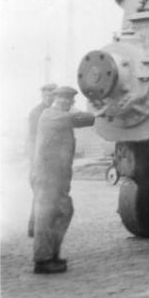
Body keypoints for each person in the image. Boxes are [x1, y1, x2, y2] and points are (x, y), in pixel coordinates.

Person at [32, 86, 95, 274]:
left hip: (59, 176)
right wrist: (101, 110)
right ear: (54, 100)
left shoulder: (62, 116)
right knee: (46, 215)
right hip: (47, 175)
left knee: (64, 211)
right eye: (62, 100)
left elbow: (85, 121)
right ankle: (42, 260)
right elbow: (86, 118)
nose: (65, 103)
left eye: (69, 100)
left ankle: (51, 255)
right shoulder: (50, 115)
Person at [27, 83, 58, 237]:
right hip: (40, 159)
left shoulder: (54, 111)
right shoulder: (36, 113)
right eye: (47, 95)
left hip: (50, 159)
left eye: (52, 95)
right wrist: (34, 163)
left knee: (45, 195)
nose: (49, 98)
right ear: (42, 95)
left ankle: (36, 227)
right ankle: (36, 227)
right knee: (41, 194)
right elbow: (32, 139)